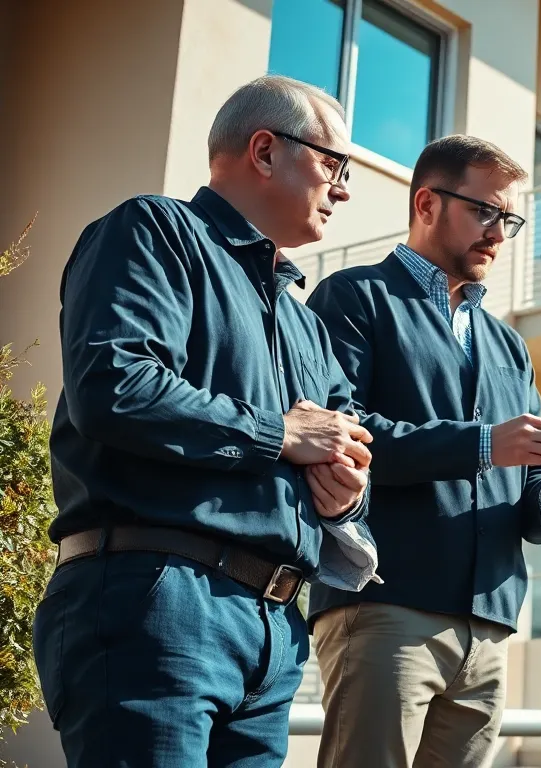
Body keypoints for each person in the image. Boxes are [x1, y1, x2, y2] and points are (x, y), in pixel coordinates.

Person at [34, 75, 375, 767]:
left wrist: (347, 492)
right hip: (158, 599)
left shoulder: (308, 326)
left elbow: (348, 441)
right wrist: (280, 435)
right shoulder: (154, 232)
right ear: (264, 150)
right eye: (336, 165)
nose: (344, 190)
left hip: (275, 629)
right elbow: (115, 385)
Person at [303, 134, 541, 768]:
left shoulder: (509, 346)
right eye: (485, 212)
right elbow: (343, 435)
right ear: (426, 203)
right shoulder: (353, 298)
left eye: (510, 219)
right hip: (387, 606)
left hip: (489, 628)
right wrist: (484, 444)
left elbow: (527, 501)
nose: (499, 233)